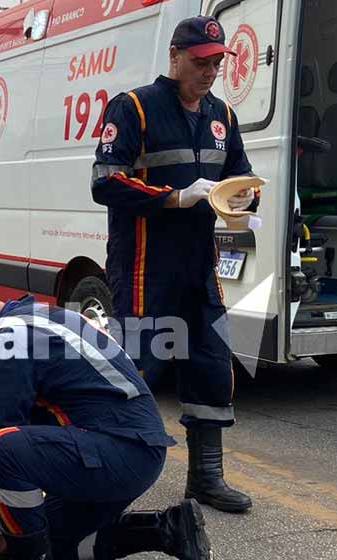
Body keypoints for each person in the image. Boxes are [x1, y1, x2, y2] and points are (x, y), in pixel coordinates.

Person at [0, 281, 214, 560]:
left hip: (120, 452)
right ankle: (168, 529)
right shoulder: (35, 316)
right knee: (43, 542)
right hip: (129, 452)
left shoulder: (8, 339)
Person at [91, 15, 256, 514]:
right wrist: (176, 197)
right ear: (176, 56)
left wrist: (246, 199)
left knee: (210, 364)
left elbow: (238, 175)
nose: (210, 71)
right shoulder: (135, 107)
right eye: (201, 61)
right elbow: (105, 180)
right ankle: (103, 478)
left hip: (198, 266)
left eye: (217, 63)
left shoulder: (221, 114)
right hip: (144, 267)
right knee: (134, 369)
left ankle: (205, 477)